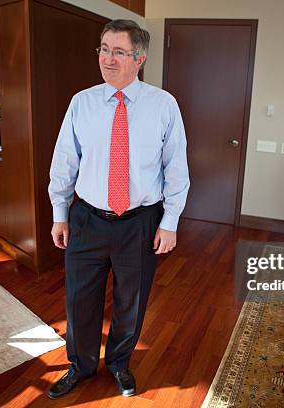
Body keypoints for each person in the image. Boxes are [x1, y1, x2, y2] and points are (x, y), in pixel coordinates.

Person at [47, 19, 190, 399]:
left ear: (139, 59)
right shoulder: (82, 103)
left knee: (132, 299)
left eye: (119, 52)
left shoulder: (163, 106)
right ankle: (80, 365)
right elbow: (64, 162)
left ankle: (119, 364)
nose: (108, 59)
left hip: (140, 223)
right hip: (88, 218)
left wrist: (170, 222)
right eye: (104, 49)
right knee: (80, 299)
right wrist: (60, 213)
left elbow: (176, 168)